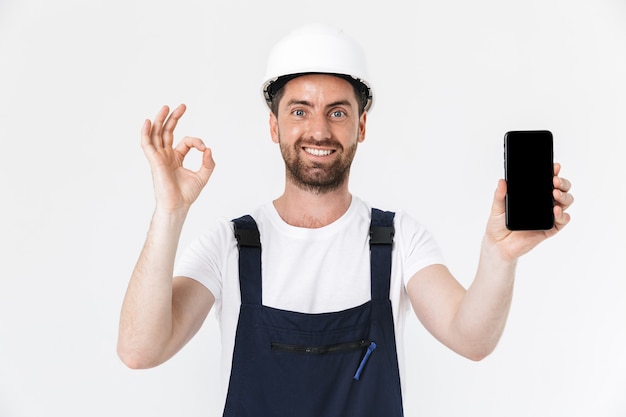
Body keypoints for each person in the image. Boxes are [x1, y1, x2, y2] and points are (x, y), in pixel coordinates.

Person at [117, 23, 574, 416]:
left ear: (361, 126)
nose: (319, 130)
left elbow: (471, 338)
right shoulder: (231, 245)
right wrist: (170, 213)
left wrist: (499, 255)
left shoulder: (397, 240)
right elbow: (139, 351)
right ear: (274, 125)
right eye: (300, 111)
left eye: (338, 112)